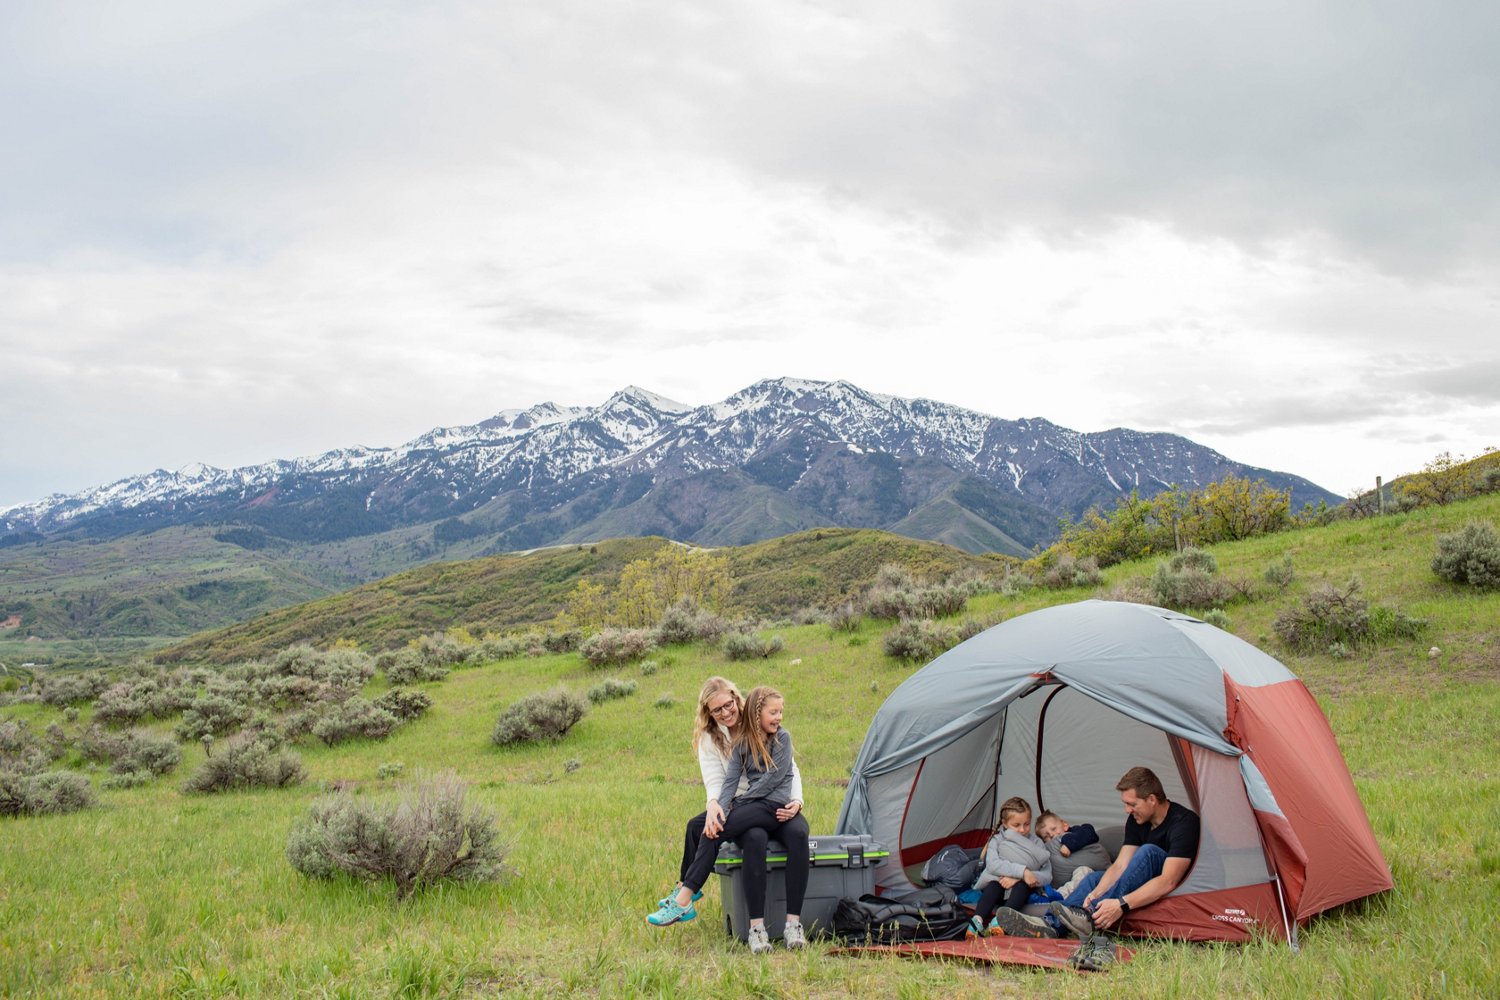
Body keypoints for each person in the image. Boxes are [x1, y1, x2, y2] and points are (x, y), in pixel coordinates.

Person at [648, 686, 811, 955]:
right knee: (713, 825)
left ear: (739, 702)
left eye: (729, 705)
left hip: (777, 804)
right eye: (774, 712)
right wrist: (720, 807)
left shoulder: (782, 738)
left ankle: (793, 924)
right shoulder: (738, 742)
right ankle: (753, 928)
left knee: (799, 834)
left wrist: (796, 802)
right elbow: (726, 782)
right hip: (753, 807)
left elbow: (780, 775)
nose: (779, 716)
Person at [1039, 766, 1202, 938]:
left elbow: (1169, 881)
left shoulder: (1184, 823)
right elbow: (1120, 866)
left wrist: (1121, 904)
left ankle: (1090, 917)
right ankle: (1049, 924)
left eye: (1132, 804)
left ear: (1152, 799)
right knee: (1094, 879)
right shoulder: (1136, 820)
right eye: (1125, 804)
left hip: (1175, 885)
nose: (1127, 810)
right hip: (1143, 881)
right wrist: (1096, 893)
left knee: (1149, 852)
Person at [967, 796, 1051, 938]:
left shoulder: (1037, 843)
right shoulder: (997, 840)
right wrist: (1022, 871)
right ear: (1005, 824)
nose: (1022, 830)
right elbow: (993, 865)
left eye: (1026, 824)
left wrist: (1020, 878)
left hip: (1021, 892)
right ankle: (977, 921)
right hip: (998, 885)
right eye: (1016, 825)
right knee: (994, 886)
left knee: (1022, 886)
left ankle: (1000, 921)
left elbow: (1047, 875)